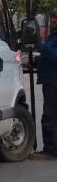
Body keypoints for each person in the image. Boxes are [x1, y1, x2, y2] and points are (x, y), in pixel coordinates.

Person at [35, 17, 57, 159]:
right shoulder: (53, 35)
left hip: (54, 80)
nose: (54, 20)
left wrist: (41, 46)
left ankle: (51, 149)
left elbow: (54, 56)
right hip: (49, 80)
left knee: (50, 115)